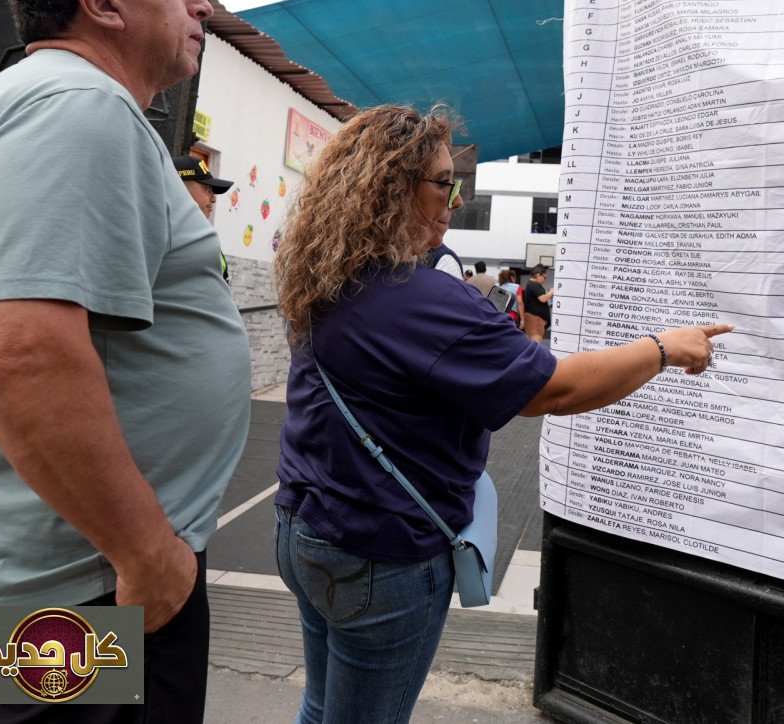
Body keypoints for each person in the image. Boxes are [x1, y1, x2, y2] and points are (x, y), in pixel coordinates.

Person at [272, 104, 730, 724]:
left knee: (323, 704)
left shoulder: (331, 277)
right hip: (378, 553)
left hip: (306, 527)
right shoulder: (423, 298)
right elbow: (554, 391)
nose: (455, 200)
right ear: (391, 187)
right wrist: (661, 349)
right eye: (444, 183)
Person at [0, 0, 252, 723]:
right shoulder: (76, 107)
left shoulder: (48, 104)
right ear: (101, 0)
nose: (202, 5)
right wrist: (149, 556)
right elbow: (16, 355)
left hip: (66, 585)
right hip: (84, 594)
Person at [174, 153, 233, 279]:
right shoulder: (160, 236)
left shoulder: (202, 236)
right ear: (180, 188)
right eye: (207, 189)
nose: (213, 199)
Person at [522, 264, 554, 343]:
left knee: (535, 343)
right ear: (538, 275)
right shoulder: (535, 285)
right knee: (536, 344)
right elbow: (543, 299)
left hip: (535, 320)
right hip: (535, 320)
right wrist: (552, 292)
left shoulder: (532, 285)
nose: (545, 280)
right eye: (544, 277)